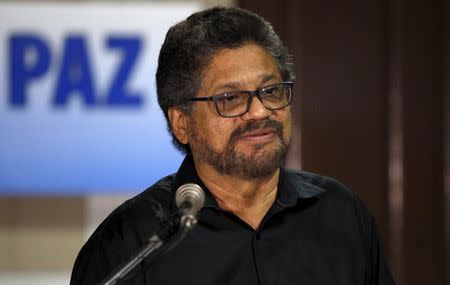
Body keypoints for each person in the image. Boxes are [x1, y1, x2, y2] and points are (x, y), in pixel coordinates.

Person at [71, 6, 395, 285]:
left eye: (271, 91)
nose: (260, 111)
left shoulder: (342, 215)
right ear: (181, 123)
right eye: (230, 98)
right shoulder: (131, 243)